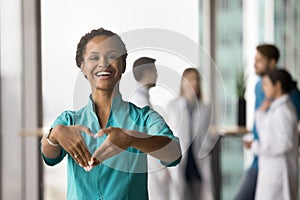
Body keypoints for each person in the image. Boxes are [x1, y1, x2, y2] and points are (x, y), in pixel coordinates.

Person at [40, 28, 182, 200]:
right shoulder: (69, 120)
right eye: (94, 57)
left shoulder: (144, 118)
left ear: (123, 65)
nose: (103, 63)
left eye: (112, 56)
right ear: (82, 67)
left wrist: (132, 139)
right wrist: (55, 134)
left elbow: (174, 153)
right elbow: (49, 156)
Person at [234, 44, 300, 200]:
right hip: (262, 158)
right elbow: (264, 124)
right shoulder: (260, 86)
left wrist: (260, 147)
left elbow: (287, 136)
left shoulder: (288, 96)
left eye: (259, 60)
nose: (254, 64)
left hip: (273, 159)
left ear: (272, 62)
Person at [248, 69, 298, 200]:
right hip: (271, 172)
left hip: (280, 173)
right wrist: (260, 113)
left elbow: (286, 143)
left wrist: (258, 147)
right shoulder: (276, 108)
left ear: (278, 86)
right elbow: (266, 133)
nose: (263, 88)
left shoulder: (284, 111)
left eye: (266, 84)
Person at [166, 68, 215, 200]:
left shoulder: (205, 109)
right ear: (182, 82)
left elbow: (207, 134)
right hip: (181, 159)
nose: (192, 82)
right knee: (181, 194)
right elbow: (169, 134)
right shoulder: (173, 106)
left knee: (199, 194)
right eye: (188, 79)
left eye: (195, 79)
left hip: (198, 159)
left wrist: (207, 145)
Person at [129, 57, 171, 200]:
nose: (157, 75)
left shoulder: (142, 99)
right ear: (146, 72)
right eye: (154, 71)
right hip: (151, 170)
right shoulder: (139, 102)